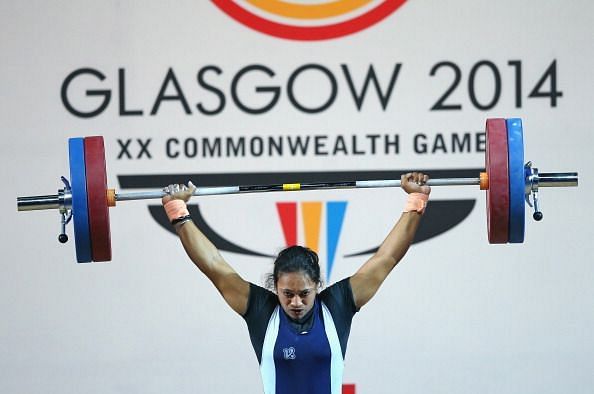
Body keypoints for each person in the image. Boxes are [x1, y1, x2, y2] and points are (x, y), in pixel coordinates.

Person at [161, 172, 431, 394]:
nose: (296, 302)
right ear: (275, 287)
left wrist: (416, 200)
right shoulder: (261, 311)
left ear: (317, 286)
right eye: (287, 293)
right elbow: (214, 266)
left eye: (304, 293)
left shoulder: (337, 305)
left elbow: (387, 258)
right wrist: (178, 211)